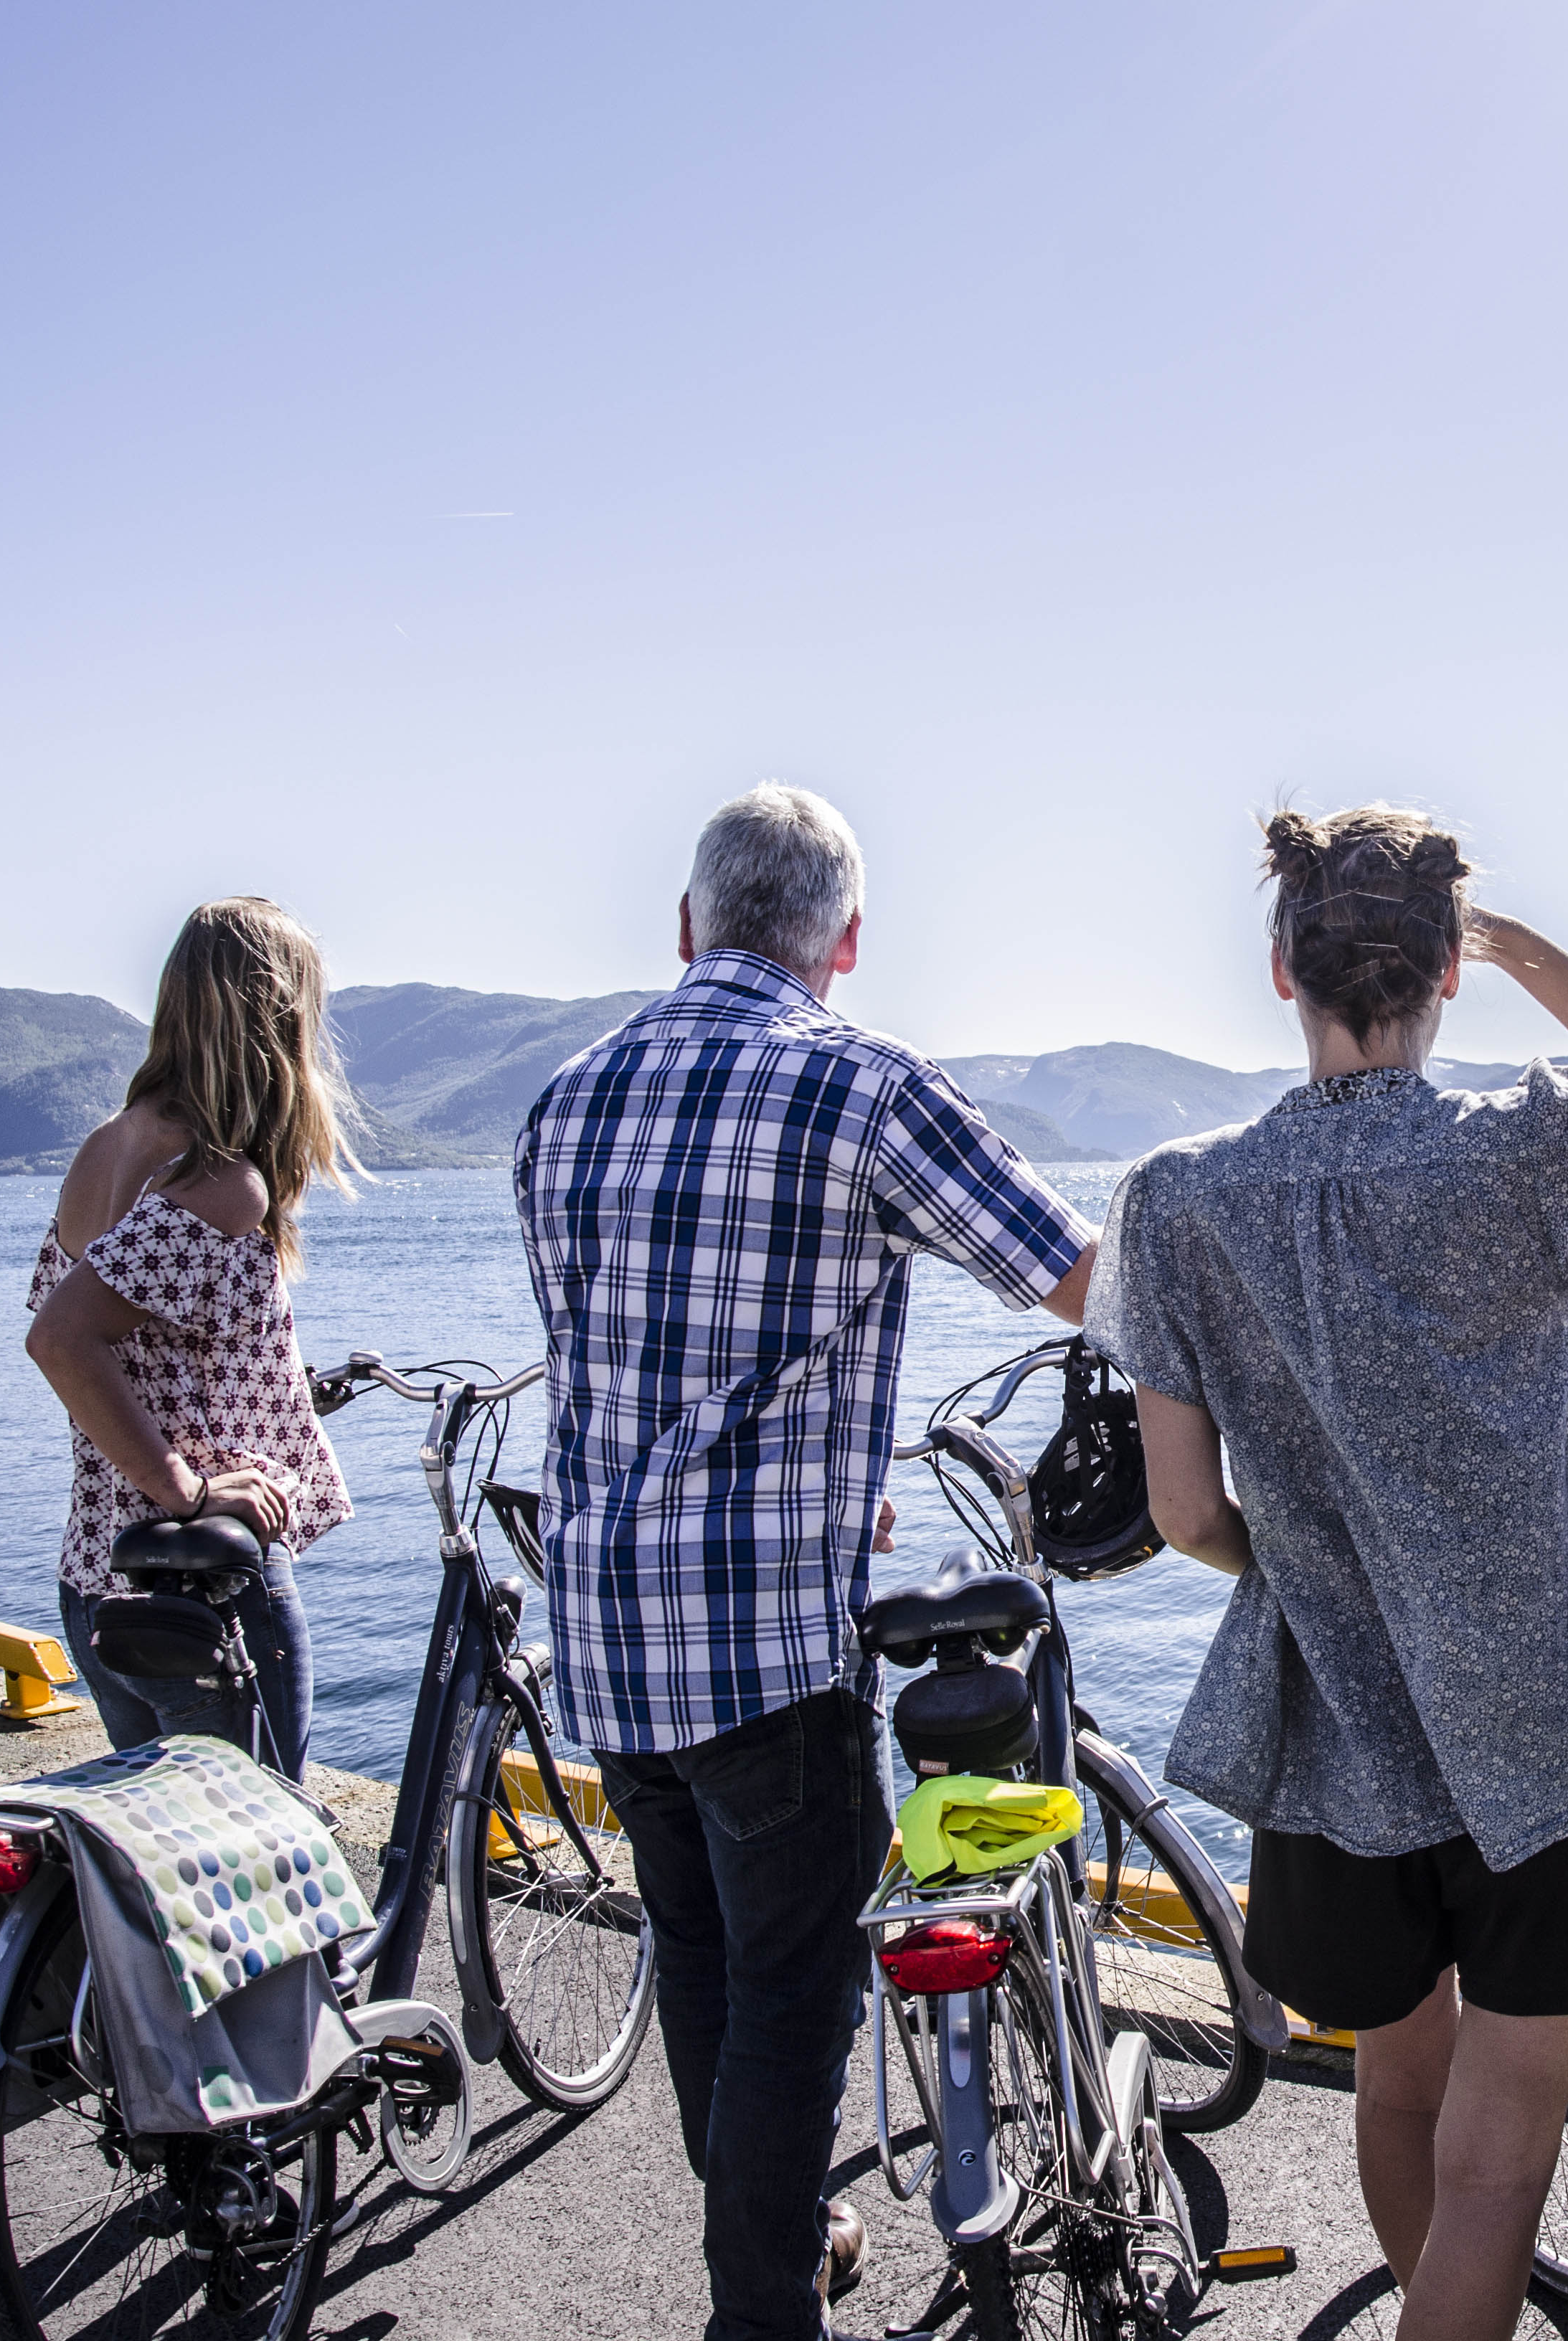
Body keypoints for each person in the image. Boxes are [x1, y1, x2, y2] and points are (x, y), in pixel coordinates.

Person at [1085, 805, 1568, 2341]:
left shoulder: (1177, 1199)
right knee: (1502, 2154)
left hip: (1338, 1722)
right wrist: (1522, 948)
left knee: (1399, 2088)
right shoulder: (1525, 1142)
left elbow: (1184, 1510)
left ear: (1283, 968)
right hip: (1556, 1721)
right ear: (1445, 969)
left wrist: (1320, 1569)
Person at [515, 784, 1096, 2341]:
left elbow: (623, 1367)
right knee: (794, 1991)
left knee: (702, 1960)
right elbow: (1080, 1275)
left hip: (607, 1630)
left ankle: (775, 2245)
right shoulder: (861, 1086)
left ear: (686, 924)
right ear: (845, 939)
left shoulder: (564, 1100)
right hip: (764, 1643)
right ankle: (758, 2311)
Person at [25, 897, 359, 1781]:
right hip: (202, 1585)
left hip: (98, 1577)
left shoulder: (108, 1146)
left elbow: (140, 1347)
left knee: (164, 1851)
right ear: (281, 1018)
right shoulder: (218, 1180)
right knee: (262, 1839)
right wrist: (186, 1487)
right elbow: (62, 1339)